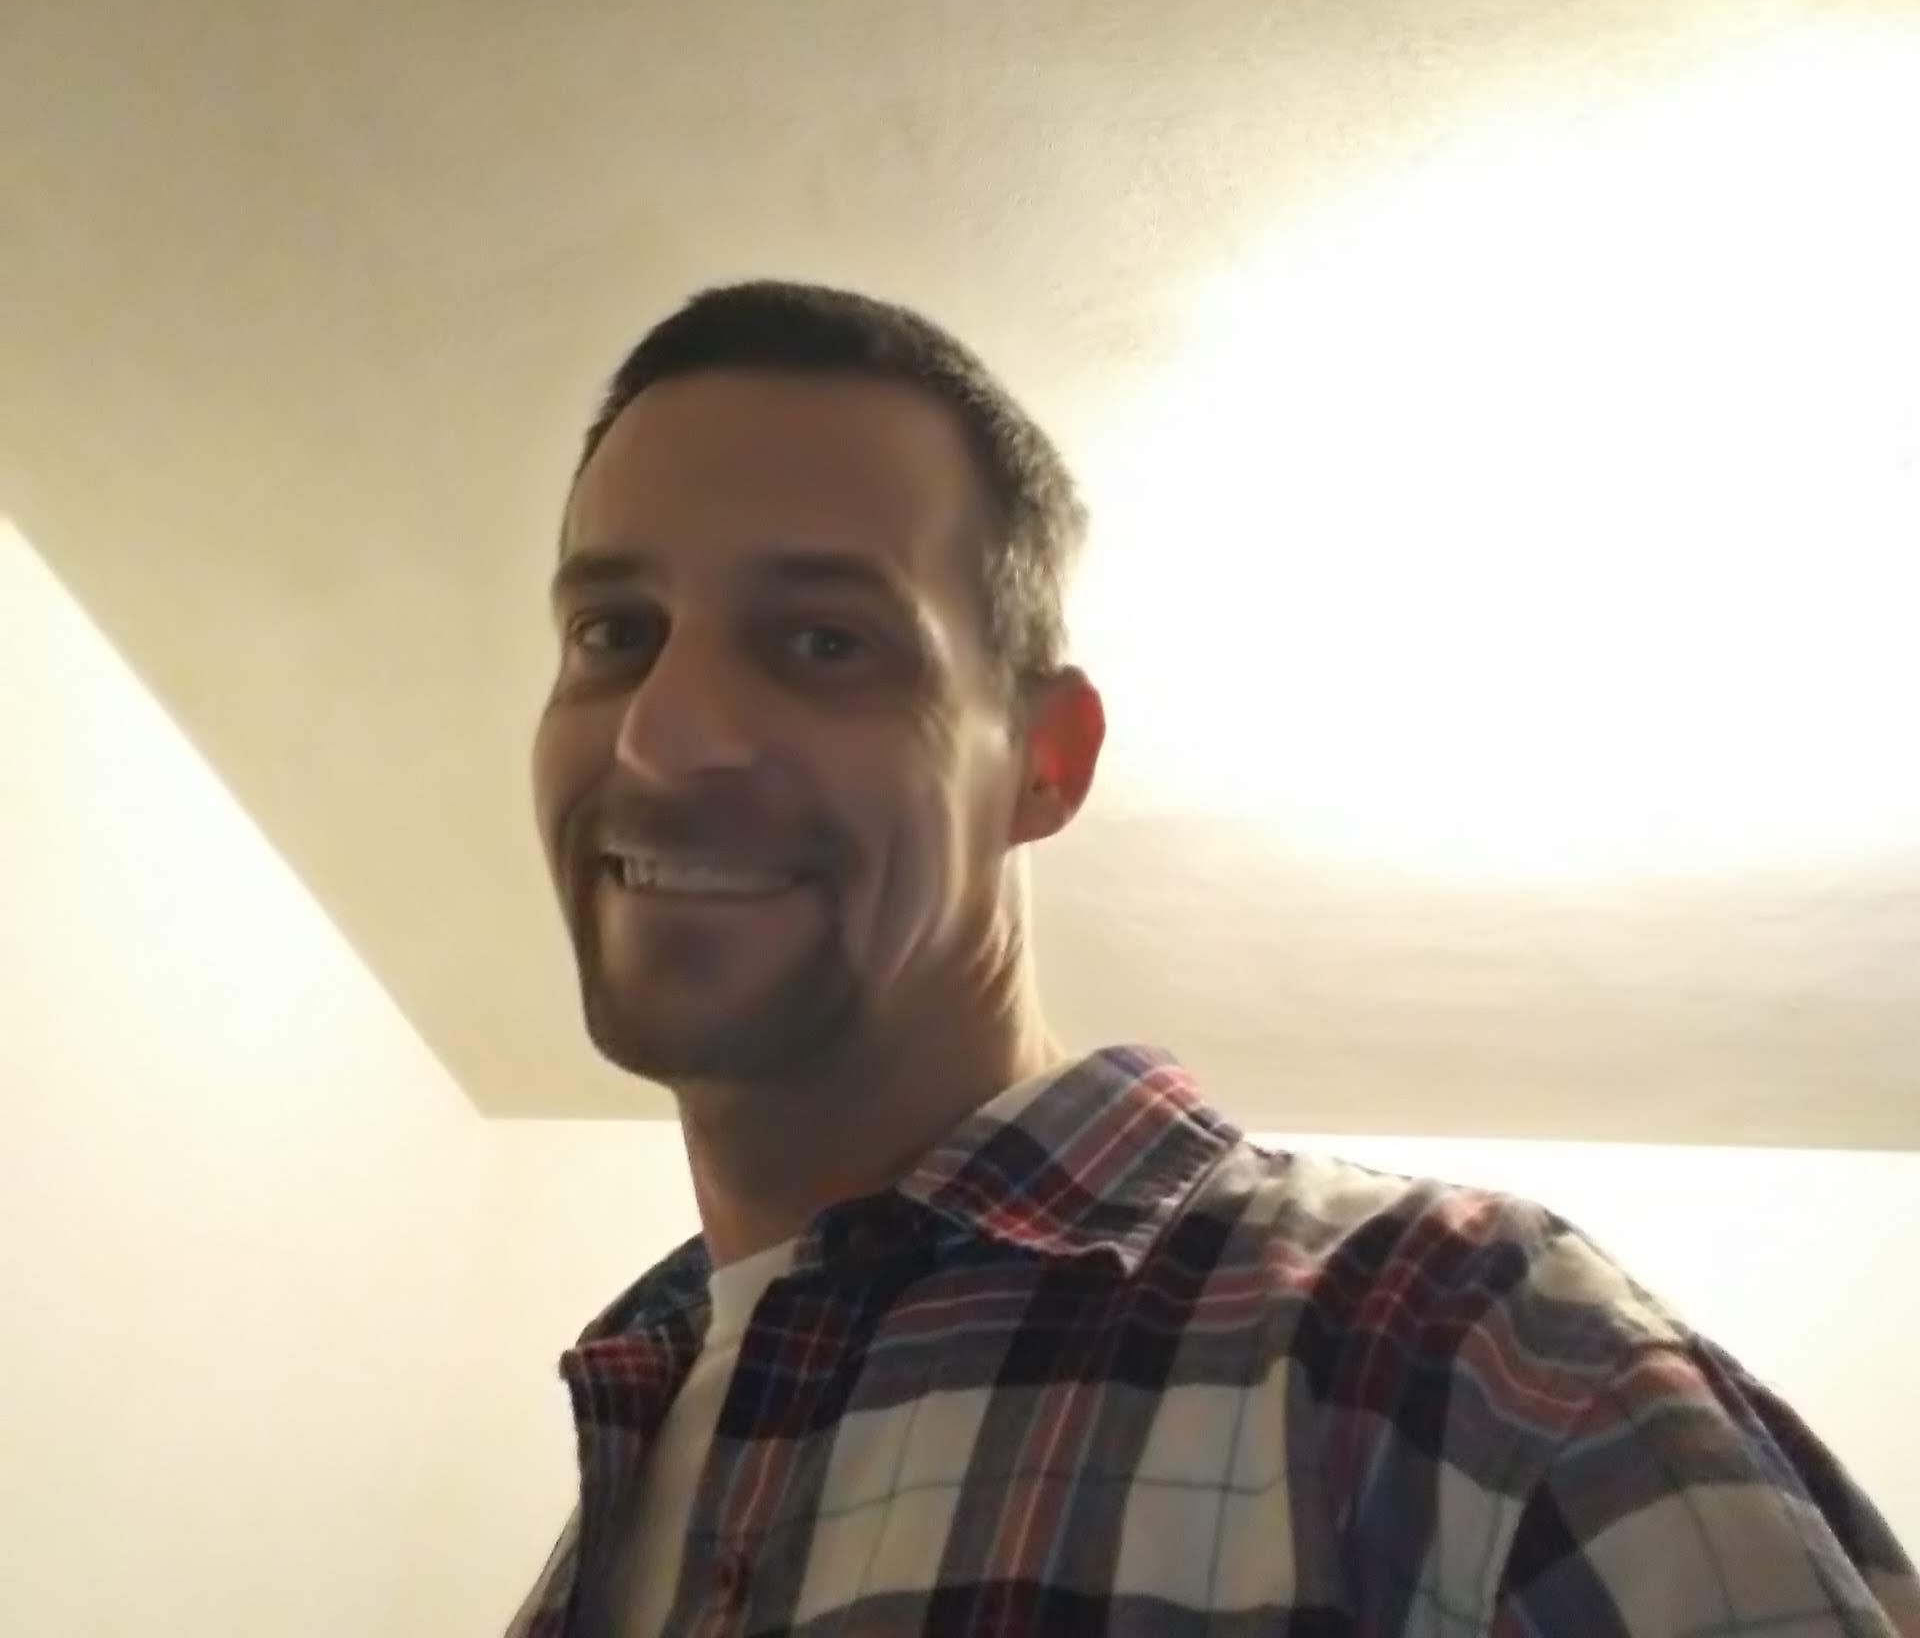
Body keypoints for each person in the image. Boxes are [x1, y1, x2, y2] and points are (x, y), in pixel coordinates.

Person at [509, 279, 1916, 1636]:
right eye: (614, 633)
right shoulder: (636, 1433)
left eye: (825, 641)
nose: (661, 736)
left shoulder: (1476, 1359)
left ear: (1045, 760)